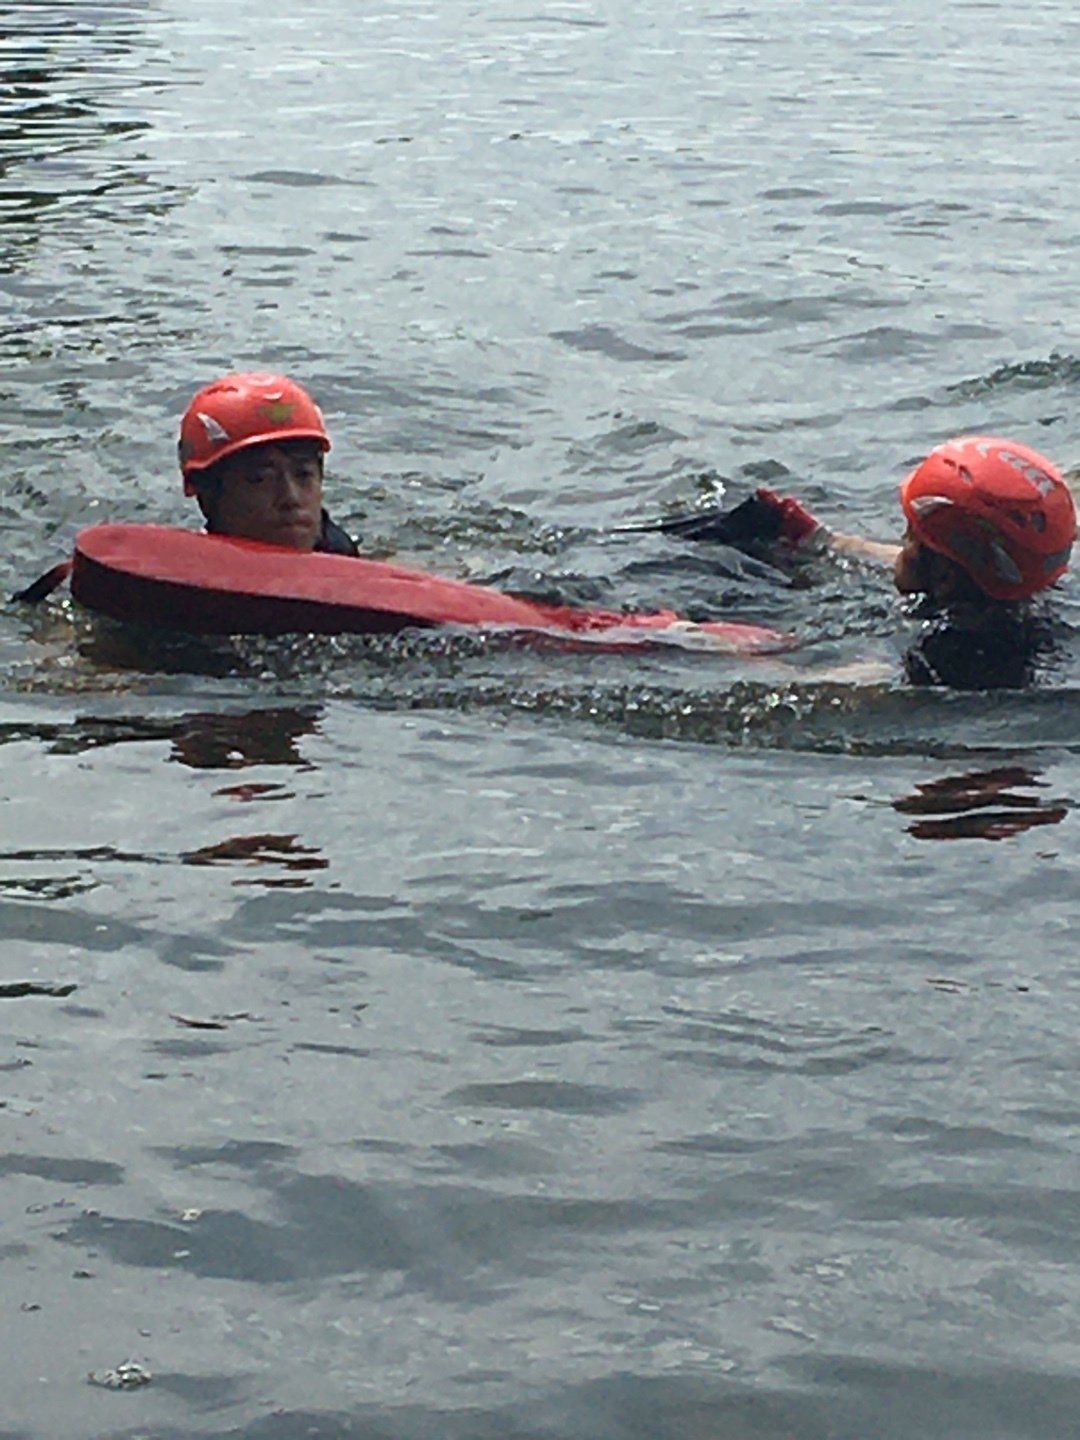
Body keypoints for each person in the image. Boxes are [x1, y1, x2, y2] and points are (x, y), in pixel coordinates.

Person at [633, 435, 1077, 688]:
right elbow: (936, 564)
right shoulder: (1024, 593)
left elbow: (815, 687)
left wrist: (705, 643)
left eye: (908, 536)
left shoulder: (930, 661)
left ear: (942, 575)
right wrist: (820, 540)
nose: (898, 545)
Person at [178, 371, 359, 555]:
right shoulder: (178, 571)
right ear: (206, 495)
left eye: (304, 475)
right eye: (260, 479)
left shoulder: (353, 569)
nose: (291, 498)